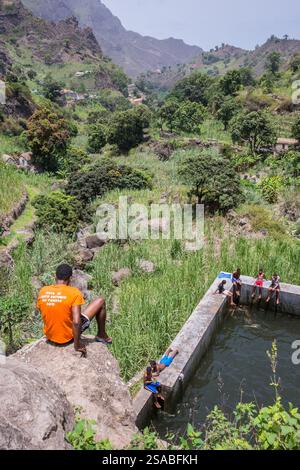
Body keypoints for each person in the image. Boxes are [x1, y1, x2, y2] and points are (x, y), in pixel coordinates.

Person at [36, 264, 112, 357]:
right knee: (100, 301)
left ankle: (56, 332)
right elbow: (76, 322)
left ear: (55, 276)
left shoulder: (43, 291)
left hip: (50, 337)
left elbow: (44, 312)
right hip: (68, 337)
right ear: (70, 278)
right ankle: (101, 335)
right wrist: (77, 344)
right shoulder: (74, 292)